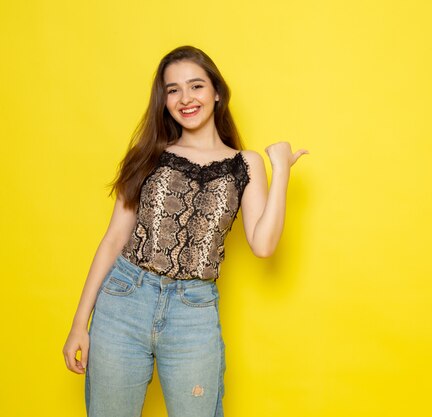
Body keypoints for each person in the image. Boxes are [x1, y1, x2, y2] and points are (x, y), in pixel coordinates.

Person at [62, 45, 308, 417]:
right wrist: (80, 325)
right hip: (124, 300)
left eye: (196, 86)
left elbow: (263, 245)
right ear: (164, 100)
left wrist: (282, 171)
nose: (185, 98)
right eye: (173, 89)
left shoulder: (246, 163)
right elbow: (113, 239)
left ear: (217, 92)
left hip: (193, 310)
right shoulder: (149, 154)